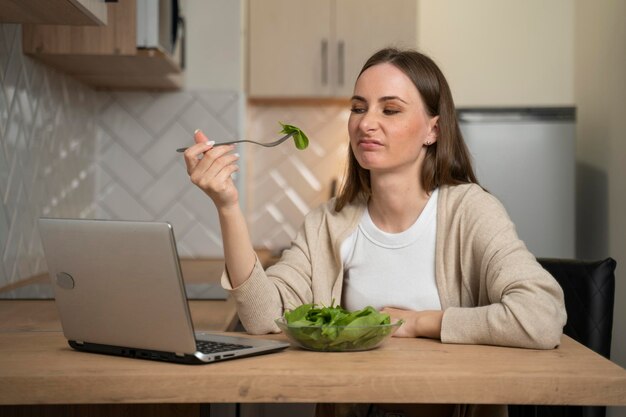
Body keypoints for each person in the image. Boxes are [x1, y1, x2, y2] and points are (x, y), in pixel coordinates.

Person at [183, 47, 567, 417]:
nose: (366, 122)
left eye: (391, 109)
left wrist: (419, 322)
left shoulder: (470, 212)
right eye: (358, 108)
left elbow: (541, 316)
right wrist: (227, 206)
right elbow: (263, 317)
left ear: (432, 130)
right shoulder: (327, 223)